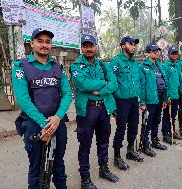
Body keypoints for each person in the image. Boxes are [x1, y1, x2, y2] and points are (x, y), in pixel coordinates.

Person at [12, 28, 72, 189]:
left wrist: (58, 117)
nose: (44, 45)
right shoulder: (20, 66)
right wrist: (44, 124)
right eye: (40, 41)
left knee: (58, 164)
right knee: (36, 168)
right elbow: (23, 99)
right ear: (32, 43)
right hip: (34, 124)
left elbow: (67, 94)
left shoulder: (57, 67)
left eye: (47, 41)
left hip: (56, 122)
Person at [70, 34, 119, 189]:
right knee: (85, 144)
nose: (88, 48)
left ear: (96, 47)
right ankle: (85, 178)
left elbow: (114, 84)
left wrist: (102, 91)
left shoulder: (104, 66)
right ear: (82, 48)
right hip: (87, 110)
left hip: (104, 107)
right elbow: (83, 84)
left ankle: (103, 169)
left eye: (91, 45)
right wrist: (104, 84)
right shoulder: (76, 66)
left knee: (103, 141)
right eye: (85, 46)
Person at [110, 36, 144, 171]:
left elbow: (140, 82)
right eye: (131, 44)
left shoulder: (135, 63)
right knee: (121, 128)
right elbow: (111, 83)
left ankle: (130, 151)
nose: (133, 46)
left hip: (134, 100)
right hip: (122, 101)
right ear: (123, 46)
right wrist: (113, 105)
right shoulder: (116, 62)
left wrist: (140, 99)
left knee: (134, 126)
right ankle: (117, 156)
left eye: (134, 44)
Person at [139, 43, 168, 157]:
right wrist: (142, 102)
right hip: (149, 100)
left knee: (156, 121)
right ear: (147, 53)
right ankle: (144, 145)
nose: (157, 52)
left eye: (157, 51)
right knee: (147, 123)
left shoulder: (160, 65)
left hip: (160, 98)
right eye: (154, 50)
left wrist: (165, 98)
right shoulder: (143, 67)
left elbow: (164, 82)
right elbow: (141, 86)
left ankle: (154, 141)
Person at [162, 46, 182, 145]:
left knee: (173, 115)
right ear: (168, 54)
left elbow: (179, 80)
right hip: (169, 96)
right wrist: (166, 97)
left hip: (176, 95)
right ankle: (166, 134)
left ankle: (172, 131)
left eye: (176, 53)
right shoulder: (165, 66)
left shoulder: (176, 65)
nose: (175, 55)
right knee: (167, 116)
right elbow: (165, 83)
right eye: (172, 53)